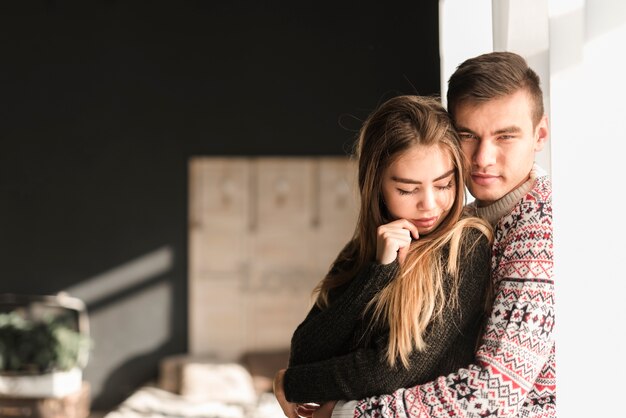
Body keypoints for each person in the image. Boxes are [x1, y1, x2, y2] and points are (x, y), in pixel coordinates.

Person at [318, 51, 555, 418]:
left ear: (539, 135)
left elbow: (496, 390)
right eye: (467, 135)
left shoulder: (538, 233)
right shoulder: (462, 220)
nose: (483, 158)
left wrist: (349, 413)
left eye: (505, 136)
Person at [273, 95, 494, 418]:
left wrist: (293, 383)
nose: (430, 205)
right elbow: (306, 350)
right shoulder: (365, 251)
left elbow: (393, 370)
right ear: (376, 184)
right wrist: (378, 272)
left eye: (444, 185)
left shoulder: (466, 246)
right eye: (407, 190)